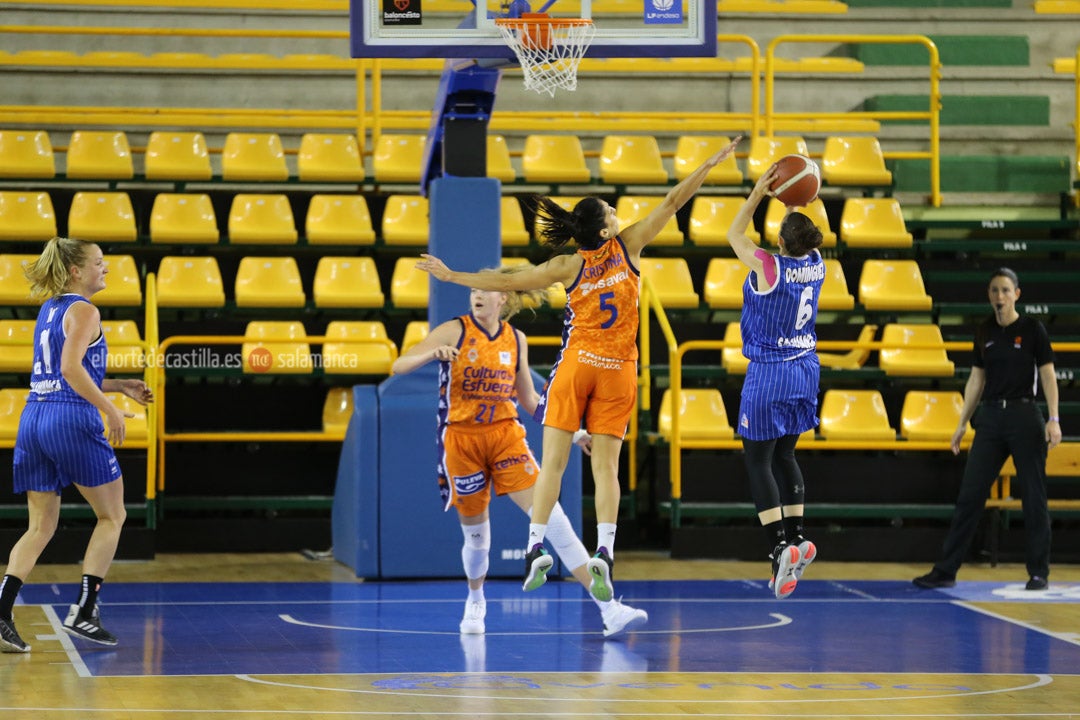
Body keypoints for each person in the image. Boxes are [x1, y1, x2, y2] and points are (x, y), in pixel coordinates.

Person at [416, 136, 741, 603]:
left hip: (576, 366)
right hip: (617, 369)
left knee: (553, 463)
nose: (617, 214)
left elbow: (507, 281)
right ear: (608, 231)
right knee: (606, 468)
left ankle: (533, 548)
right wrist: (709, 163)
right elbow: (673, 200)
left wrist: (453, 276)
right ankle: (604, 552)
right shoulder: (630, 244)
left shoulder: (567, 264)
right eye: (611, 212)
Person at [390, 270, 648, 637]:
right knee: (477, 539)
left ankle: (609, 610)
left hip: (505, 436)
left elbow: (529, 399)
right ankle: (476, 600)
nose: (477, 295)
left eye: (486, 290)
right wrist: (432, 353)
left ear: (504, 298)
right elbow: (398, 365)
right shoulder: (454, 331)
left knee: (555, 521)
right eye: (474, 290)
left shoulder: (516, 339)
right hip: (461, 440)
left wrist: (573, 433)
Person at [0, 237, 153, 654]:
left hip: (33, 418)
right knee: (113, 515)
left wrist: (119, 386)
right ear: (75, 271)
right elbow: (70, 369)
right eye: (99, 263)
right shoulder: (86, 310)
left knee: (40, 526)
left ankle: (0, 612)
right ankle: (85, 611)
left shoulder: (50, 310)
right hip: (70, 418)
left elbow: (65, 370)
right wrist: (111, 410)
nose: (106, 269)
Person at [914, 267, 1061, 591]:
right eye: (994, 290)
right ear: (989, 295)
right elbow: (976, 379)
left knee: (1034, 498)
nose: (999, 296)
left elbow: (1048, 375)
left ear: (1017, 294)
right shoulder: (984, 331)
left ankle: (1039, 572)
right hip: (991, 419)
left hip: (1025, 416)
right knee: (970, 496)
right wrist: (962, 422)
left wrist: (1054, 419)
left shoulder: (1033, 329)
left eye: (1006, 290)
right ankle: (946, 569)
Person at [726, 166, 825, 599]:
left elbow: (734, 233)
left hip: (770, 372)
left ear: (781, 242)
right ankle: (799, 535)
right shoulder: (818, 263)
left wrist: (759, 193)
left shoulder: (769, 266)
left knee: (757, 461)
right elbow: (801, 235)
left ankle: (778, 547)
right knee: (786, 454)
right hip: (806, 368)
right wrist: (796, 200)